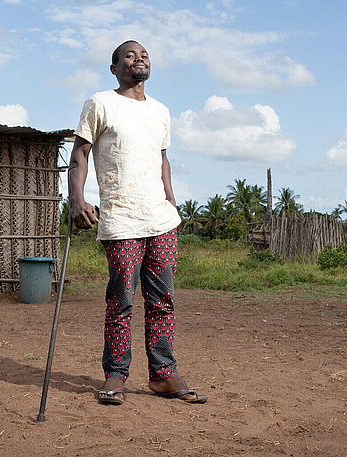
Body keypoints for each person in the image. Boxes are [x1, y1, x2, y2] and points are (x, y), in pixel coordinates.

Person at [69, 40, 208, 406]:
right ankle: (115, 374)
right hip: (121, 221)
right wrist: (77, 199)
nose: (139, 58)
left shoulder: (161, 111)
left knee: (162, 300)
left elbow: (162, 160)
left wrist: (172, 204)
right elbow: (80, 154)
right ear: (114, 68)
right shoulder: (100, 103)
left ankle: (163, 375)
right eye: (129, 55)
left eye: (144, 54)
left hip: (160, 220)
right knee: (122, 301)